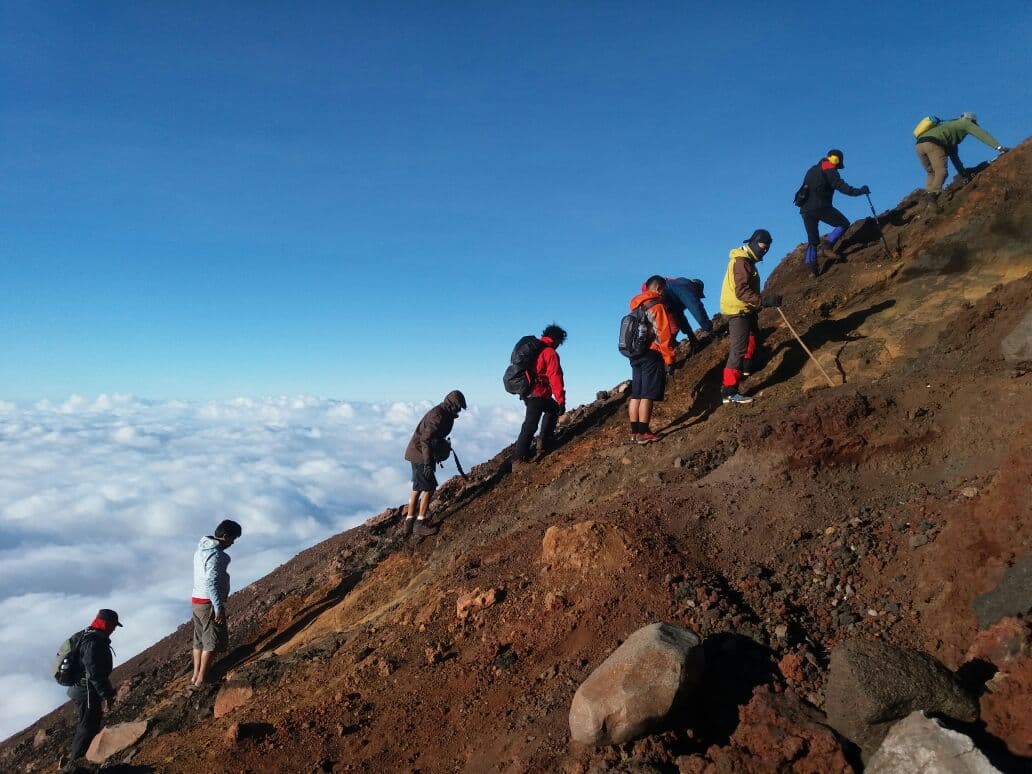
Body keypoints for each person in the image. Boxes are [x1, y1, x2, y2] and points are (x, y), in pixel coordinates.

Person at [720, 229, 782, 404]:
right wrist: (764, 301)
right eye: (763, 247)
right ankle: (729, 391)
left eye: (767, 248)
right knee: (738, 349)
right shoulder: (741, 262)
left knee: (752, 337)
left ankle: (747, 369)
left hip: (746, 309)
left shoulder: (747, 261)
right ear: (754, 243)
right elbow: (741, 291)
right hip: (737, 311)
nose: (765, 250)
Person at [402, 390, 466, 536]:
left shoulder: (443, 412)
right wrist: (428, 463)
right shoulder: (438, 415)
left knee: (418, 487)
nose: (459, 410)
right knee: (429, 488)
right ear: (453, 404)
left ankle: (409, 522)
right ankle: (419, 524)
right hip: (421, 455)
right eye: (458, 407)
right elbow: (425, 439)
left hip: (417, 453)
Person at [797, 149, 869, 277]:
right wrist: (860, 191)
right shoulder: (829, 168)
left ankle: (812, 268)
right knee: (843, 223)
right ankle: (827, 247)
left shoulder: (812, 169)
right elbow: (841, 187)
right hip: (820, 206)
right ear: (836, 160)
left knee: (812, 239)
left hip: (805, 210)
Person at [189, 519, 242, 691]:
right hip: (208, 602)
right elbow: (211, 582)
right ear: (225, 536)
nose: (233, 543)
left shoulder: (200, 549)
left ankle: (195, 675)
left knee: (199, 640)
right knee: (211, 641)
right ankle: (202, 679)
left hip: (196, 599)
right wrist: (218, 608)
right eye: (233, 539)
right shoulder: (217, 555)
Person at [67, 609, 121, 762]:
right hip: (86, 691)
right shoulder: (93, 642)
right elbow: (95, 673)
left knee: (90, 723)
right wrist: (107, 694)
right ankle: (75, 763)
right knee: (87, 726)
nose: (114, 629)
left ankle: (84, 759)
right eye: (113, 625)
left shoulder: (88, 635)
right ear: (107, 624)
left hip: (82, 689)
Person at [628, 275, 676, 443]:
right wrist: (669, 359)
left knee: (636, 394)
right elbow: (664, 335)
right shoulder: (657, 306)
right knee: (648, 394)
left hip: (635, 355)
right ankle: (644, 433)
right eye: (663, 290)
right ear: (658, 288)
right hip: (651, 354)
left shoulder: (636, 307)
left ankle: (635, 432)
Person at [915, 112, 1009, 193]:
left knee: (931, 172)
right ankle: (932, 194)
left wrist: (963, 174)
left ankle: (927, 195)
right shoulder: (965, 122)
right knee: (941, 172)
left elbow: (954, 158)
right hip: (933, 143)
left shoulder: (948, 129)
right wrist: (999, 147)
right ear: (972, 120)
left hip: (919, 145)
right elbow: (982, 134)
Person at [512, 324, 567, 463]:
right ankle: (520, 458)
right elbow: (555, 376)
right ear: (555, 340)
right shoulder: (550, 353)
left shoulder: (535, 348)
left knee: (549, 410)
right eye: (559, 343)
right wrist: (561, 400)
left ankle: (539, 444)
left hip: (528, 392)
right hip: (538, 393)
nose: (558, 346)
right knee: (531, 424)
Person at [662, 278, 712, 350]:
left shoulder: (675, 290)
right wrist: (707, 326)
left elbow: (680, 317)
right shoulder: (686, 286)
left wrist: (691, 337)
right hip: (662, 308)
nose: (697, 296)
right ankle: (664, 356)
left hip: (663, 307)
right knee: (671, 331)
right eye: (698, 294)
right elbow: (696, 307)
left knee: (669, 331)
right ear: (696, 287)